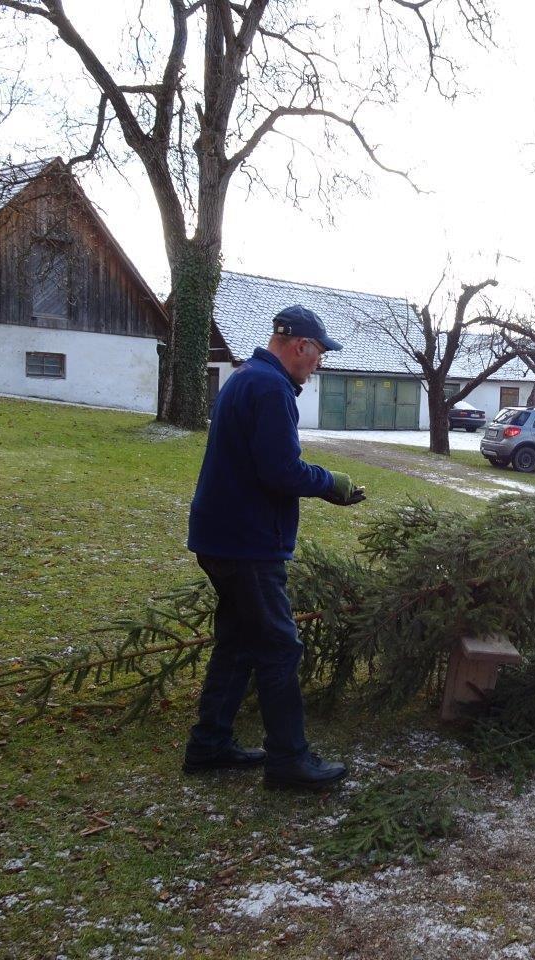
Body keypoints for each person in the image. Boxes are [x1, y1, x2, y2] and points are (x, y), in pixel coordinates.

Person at [183, 304, 365, 790]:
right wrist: (331, 482)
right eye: (319, 353)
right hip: (248, 543)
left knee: (238, 641)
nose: (319, 364)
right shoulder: (270, 388)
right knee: (279, 647)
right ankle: (288, 760)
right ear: (301, 345)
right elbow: (280, 470)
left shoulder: (246, 377)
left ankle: (209, 745)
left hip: (220, 536)